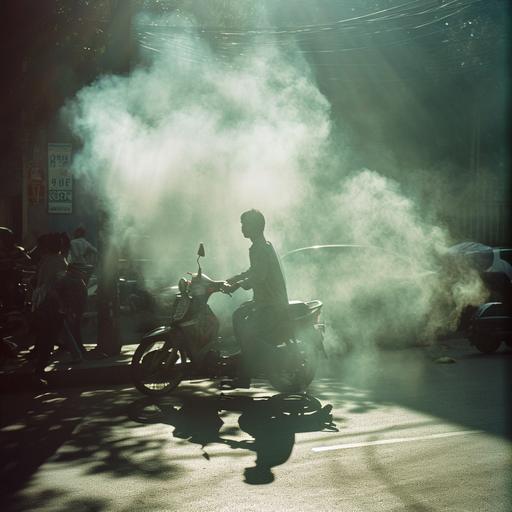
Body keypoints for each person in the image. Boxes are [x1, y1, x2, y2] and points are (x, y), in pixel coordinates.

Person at [224, 209, 290, 388]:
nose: (242, 228)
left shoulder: (260, 247)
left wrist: (238, 285)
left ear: (255, 226)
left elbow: (259, 276)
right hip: (263, 301)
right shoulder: (259, 246)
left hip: (271, 304)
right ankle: (245, 367)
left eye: (245, 224)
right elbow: (254, 271)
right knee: (238, 316)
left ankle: (271, 360)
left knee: (248, 332)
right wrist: (234, 278)